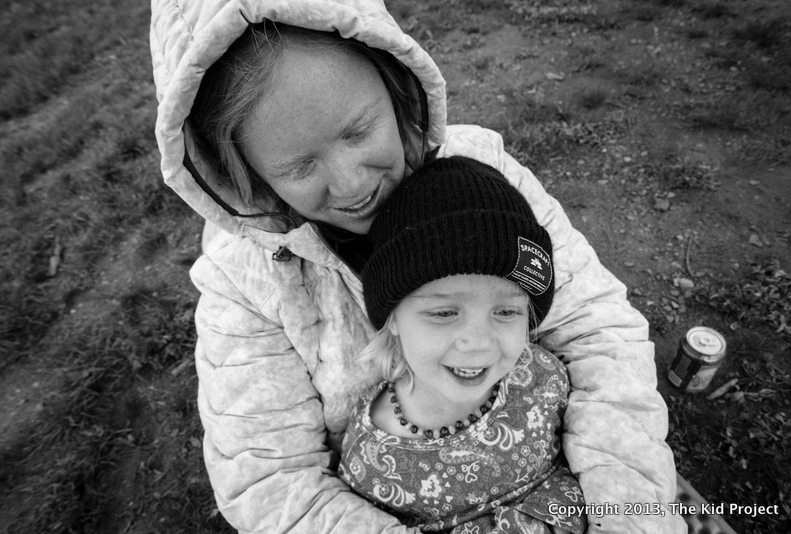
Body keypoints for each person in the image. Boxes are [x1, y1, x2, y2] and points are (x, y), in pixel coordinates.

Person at [149, 1, 684, 533]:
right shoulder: (242, 279)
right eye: (299, 166)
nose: (354, 185)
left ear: (396, 81)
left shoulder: (485, 174)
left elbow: (597, 333)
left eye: (359, 131)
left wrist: (629, 510)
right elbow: (272, 485)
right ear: (243, 174)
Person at [338, 156, 587, 534]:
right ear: (393, 322)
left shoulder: (541, 378)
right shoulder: (371, 462)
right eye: (443, 313)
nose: (477, 343)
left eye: (506, 312)